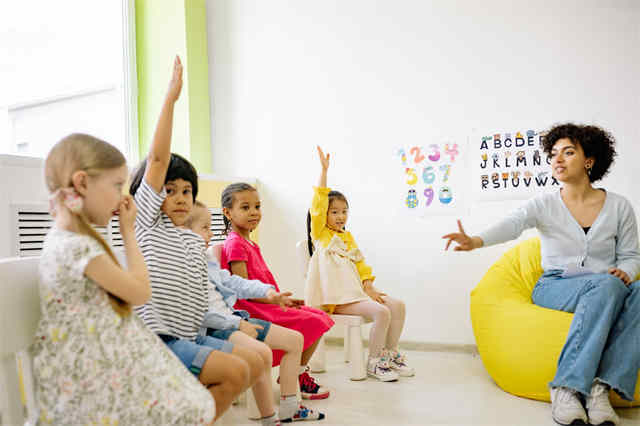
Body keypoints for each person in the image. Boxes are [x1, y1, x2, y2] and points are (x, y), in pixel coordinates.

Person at [443, 123, 640, 426]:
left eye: (568, 152)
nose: (557, 159)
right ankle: (567, 387)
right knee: (607, 286)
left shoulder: (619, 206)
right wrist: (476, 241)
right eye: (553, 154)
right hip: (556, 286)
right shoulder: (544, 204)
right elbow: (513, 224)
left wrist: (625, 272)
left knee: (628, 290)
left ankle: (601, 389)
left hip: (607, 286)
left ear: (589, 160)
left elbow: (631, 255)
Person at [32, 133, 216, 425]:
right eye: (117, 185)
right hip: (93, 376)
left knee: (195, 403)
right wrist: (129, 233)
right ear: (82, 183)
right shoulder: (78, 248)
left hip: (103, 362)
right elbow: (140, 293)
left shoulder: (69, 241)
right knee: (192, 407)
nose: (122, 196)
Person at [305, 146, 414, 382]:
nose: (340, 216)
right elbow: (319, 201)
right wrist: (324, 172)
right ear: (324, 215)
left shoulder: (347, 237)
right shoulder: (321, 235)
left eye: (344, 211)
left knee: (398, 306)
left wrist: (369, 286)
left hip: (356, 294)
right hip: (337, 299)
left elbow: (361, 265)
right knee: (382, 312)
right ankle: (374, 362)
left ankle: (389, 355)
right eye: (334, 212)